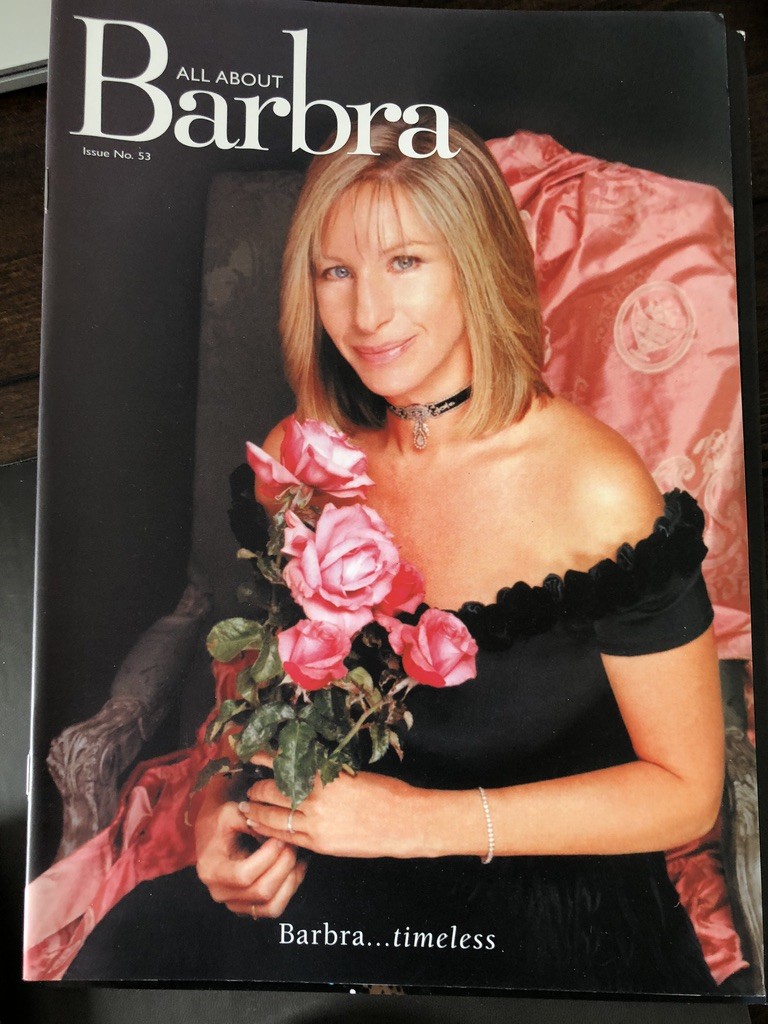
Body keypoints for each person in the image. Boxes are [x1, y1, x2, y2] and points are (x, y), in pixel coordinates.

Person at [66, 116, 724, 993]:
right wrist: (218, 811)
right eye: (336, 271)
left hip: (554, 899)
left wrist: (418, 825)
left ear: (477, 263)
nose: (366, 315)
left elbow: (687, 792)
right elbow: (260, 700)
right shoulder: (298, 459)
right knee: (130, 960)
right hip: (340, 870)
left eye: (405, 261)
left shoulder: (597, 489)